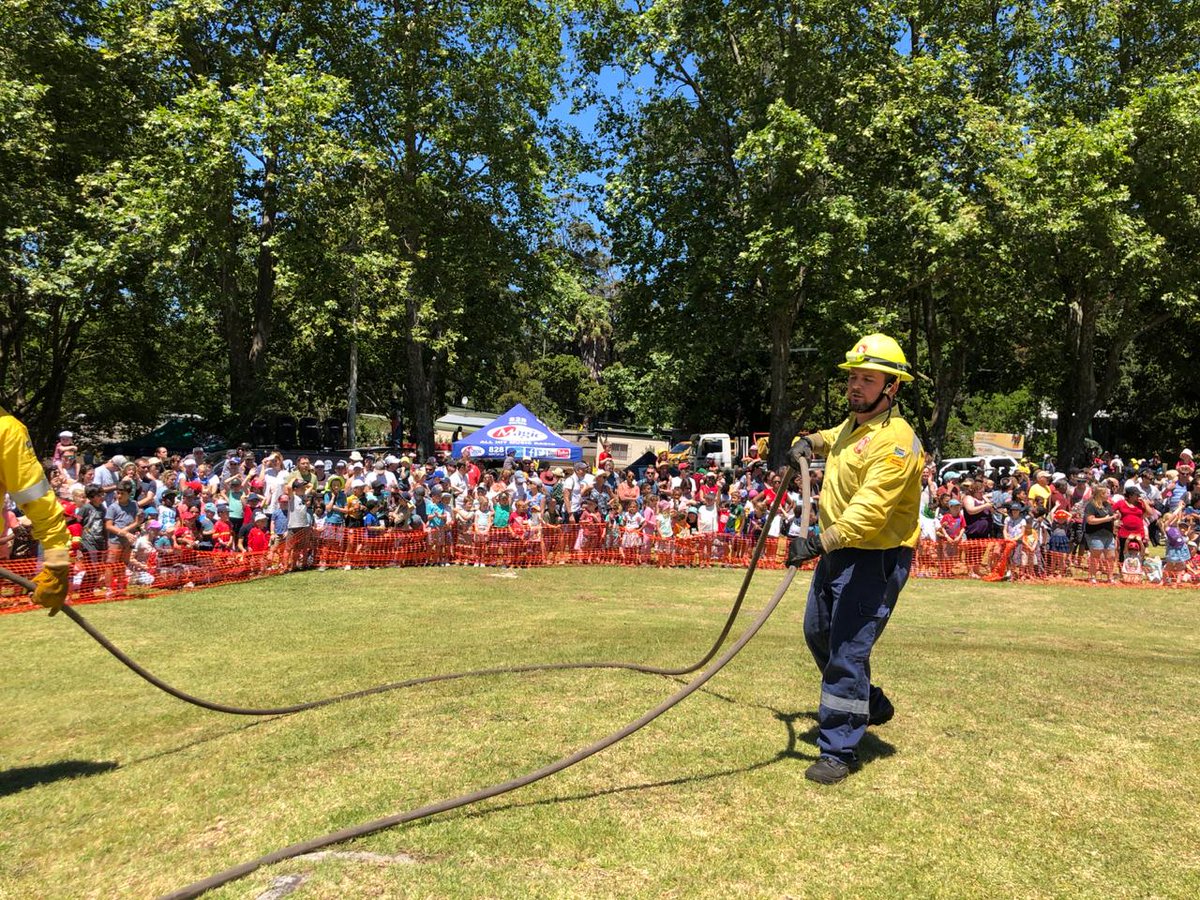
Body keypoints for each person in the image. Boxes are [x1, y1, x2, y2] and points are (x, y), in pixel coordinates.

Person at [786, 333, 923, 785]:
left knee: (847, 649)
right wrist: (811, 442)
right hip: (839, 553)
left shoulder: (897, 442)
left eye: (868, 379)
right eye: (853, 378)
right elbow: (835, 439)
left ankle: (839, 750)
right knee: (819, 633)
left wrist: (818, 542)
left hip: (873, 558)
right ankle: (870, 702)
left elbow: (870, 510)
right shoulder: (855, 426)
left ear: (892, 387)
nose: (856, 386)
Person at [0, 408, 72, 611]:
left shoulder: (6, 430)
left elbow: (35, 497)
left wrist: (56, 565)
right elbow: (36, 499)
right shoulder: (6, 429)